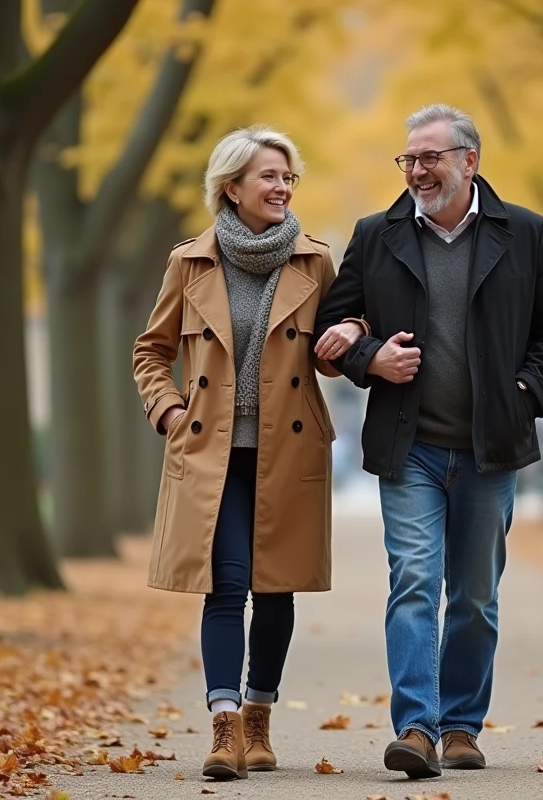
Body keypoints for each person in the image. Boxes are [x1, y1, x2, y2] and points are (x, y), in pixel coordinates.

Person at [313, 104, 543, 778]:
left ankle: (461, 725)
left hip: (492, 446)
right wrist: (368, 358)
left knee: (472, 595)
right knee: (412, 581)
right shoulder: (375, 235)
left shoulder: (524, 232)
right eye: (407, 159)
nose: (416, 170)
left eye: (429, 157)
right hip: (412, 447)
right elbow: (333, 324)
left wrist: (524, 394)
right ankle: (416, 727)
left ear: (470, 161)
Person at [133, 125, 367, 780]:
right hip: (211, 450)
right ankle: (224, 727)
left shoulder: (316, 262)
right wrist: (170, 410)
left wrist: (353, 331)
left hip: (287, 449)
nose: (282, 187)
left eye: (289, 177)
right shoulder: (190, 262)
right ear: (231, 187)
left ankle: (260, 719)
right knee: (226, 584)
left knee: (276, 588)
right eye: (269, 176)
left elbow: (353, 329)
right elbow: (151, 351)